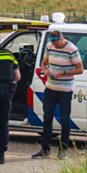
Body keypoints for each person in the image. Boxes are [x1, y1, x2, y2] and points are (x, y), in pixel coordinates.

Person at [32, 31, 83, 159]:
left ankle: (63, 149)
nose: (54, 44)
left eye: (56, 42)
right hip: (50, 87)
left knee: (65, 119)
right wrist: (45, 71)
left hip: (65, 89)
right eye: (52, 42)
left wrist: (64, 72)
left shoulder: (72, 49)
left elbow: (80, 69)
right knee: (47, 118)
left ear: (61, 39)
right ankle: (45, 149)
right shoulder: (49, 46)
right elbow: (43, 63)